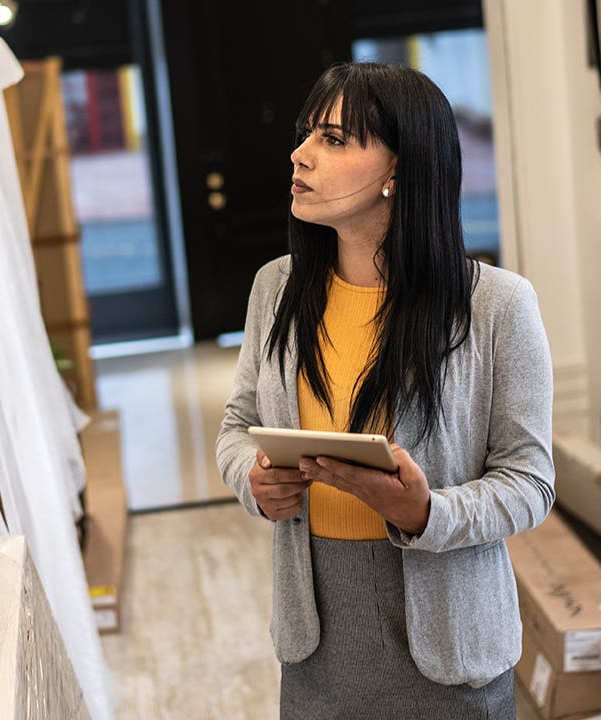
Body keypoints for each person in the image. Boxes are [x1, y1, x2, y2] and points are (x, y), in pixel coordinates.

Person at [215, 62, 555, 718]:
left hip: (451, 648)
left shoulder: (498, 306)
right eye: (305, 133)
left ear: (400, 170)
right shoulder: (275, 289)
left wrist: (425, 513)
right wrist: (252, 481)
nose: (300, 154)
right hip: (315, 640)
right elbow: (238, 427)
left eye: (334, 139)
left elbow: (530, 482)